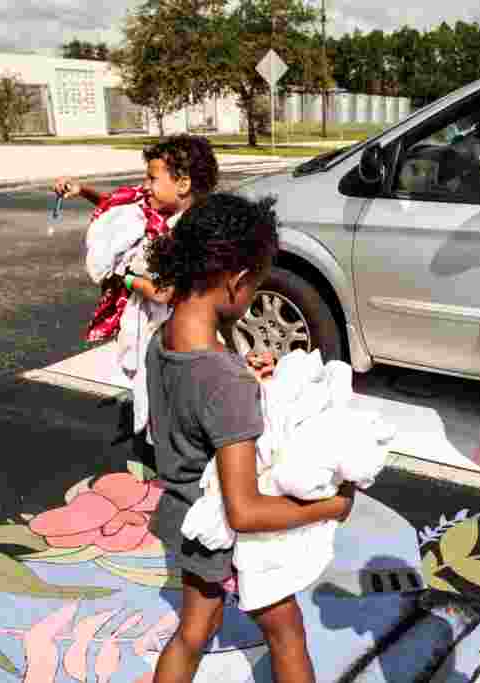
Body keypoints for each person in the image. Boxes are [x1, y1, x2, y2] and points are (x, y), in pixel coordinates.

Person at [144, 192, 355, 683]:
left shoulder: (166, 336)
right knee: (288, 636)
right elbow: (245, 511)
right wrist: (334, 506)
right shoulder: (226, 382)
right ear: (236, 280)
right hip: (226, 535)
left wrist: (242, 376)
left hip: (182, 515)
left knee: (194, 631)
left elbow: (196, 403)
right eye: (256, 287)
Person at [54, 134, 220, 437]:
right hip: (180, 334)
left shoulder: (182, 234)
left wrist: (125, 277)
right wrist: (84, 191)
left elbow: (164, 293)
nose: (144, 185)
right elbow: (118, 205)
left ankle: (167, 466)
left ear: (182, 184)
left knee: (164, 397)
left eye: (152, 178)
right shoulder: (183, 216)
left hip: (171, 333)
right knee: (165, 395)